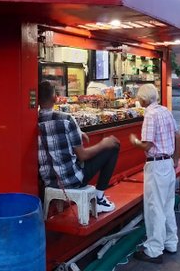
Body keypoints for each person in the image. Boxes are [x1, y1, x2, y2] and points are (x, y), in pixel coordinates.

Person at [38, 81, 120, 213]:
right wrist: (103, 143)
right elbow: (82, 155)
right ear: (55, 98)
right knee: (113, 147)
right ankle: (99, 199)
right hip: (71, 180)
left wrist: (78, 132)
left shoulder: (33, 120)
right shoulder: (66, 119)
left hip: (49, 182)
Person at [129, 84, 180, 264]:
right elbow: (177, 135)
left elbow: (147, 145)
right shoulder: (165, 110)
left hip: (156, 166)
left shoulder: (150, 115)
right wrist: (176, 159)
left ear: (144, 99)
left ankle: (154, 250)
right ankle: (171, 242)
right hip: (167, 164)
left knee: (155, 208)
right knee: (167, 205)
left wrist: (135, 141)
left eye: (139, 98)